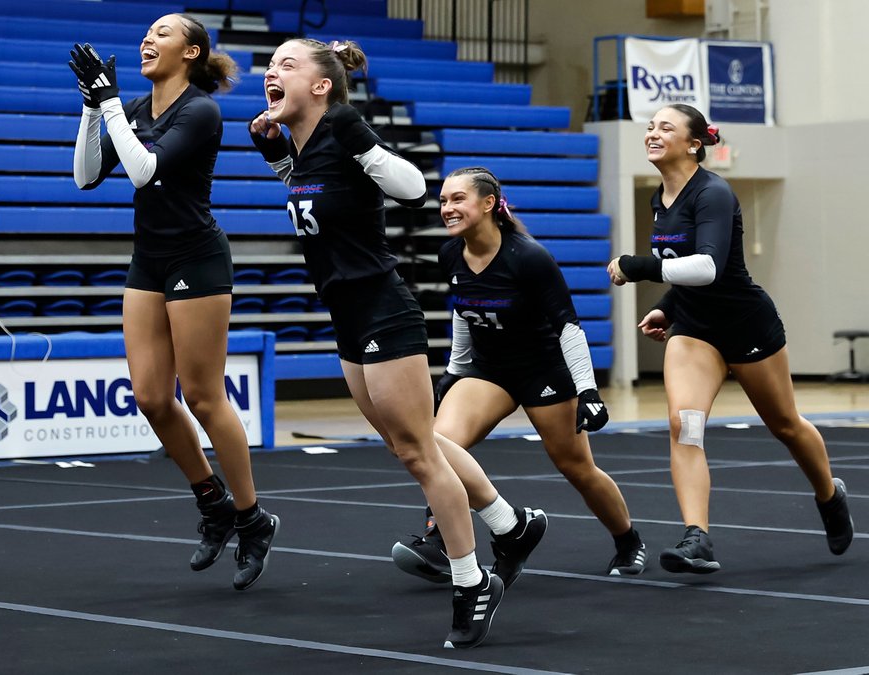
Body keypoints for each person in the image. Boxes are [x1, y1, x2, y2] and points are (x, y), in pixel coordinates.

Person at [250, 38, 507, 649]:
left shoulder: (342, 127)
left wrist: (353, 127)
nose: (270, 73)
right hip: (347, 316)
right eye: (270, 65)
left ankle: (472, 581)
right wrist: (278, 163)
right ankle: (508, 521)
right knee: (410, 444)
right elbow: (322, 208)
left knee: (420, 453)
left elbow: (414, 186)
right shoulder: (308, 147)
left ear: (321, 86)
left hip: (383, 311)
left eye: (287, 64)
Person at [70, 14, 278, 591]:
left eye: (161, 33)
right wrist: (93, 107)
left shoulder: (201, 110)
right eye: (146, 31)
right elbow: (86, 177)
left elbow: (145, 172)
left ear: (190, 52)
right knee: (152, 398)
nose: (146, 38)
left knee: (205, 397)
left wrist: (110, 105)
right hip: (150, 261)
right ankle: (211, 501)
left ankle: (252, 517)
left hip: (197, 259)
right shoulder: (134, 107)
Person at [608, 103, 854, 572]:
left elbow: (708, 266)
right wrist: (669, 306)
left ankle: (829, 493)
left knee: (785, 424)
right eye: (650, 127)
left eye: (665, 127)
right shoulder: (658, 198)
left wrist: (639, 266)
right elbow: (687, 276)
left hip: (746, 327)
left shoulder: (713, 193)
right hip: (695, 333)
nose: (652, 134)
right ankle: (696, 538)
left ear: (694, 143)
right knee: (685, 425)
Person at [392, 167, 646, 586]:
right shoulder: (450, 253)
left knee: (576, 466)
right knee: (440, 445)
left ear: (489, 203)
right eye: (442, 201)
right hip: (489, 369)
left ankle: (628, 539)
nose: (447, 208)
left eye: (458, 199)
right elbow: (463, 308)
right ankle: (440, 538)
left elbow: (568, 325)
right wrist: (454, 371)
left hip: (542, 370)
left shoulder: (529, 257)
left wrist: (588, 391)